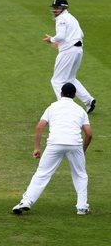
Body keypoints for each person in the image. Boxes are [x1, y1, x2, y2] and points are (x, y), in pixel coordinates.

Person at [12, 83, 93, 215]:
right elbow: (89, 134)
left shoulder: (52, 107)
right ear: (74, 95)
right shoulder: (80, 110)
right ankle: (82, 207)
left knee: (42, 174)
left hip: (55, 144)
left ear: (61, 93)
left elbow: (39, 127)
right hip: (74, 144)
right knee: (80, 175)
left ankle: (26, 201)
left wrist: (36, 148)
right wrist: (82, 150)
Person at [44, 0, 96, 113]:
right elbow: (81, 34)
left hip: (68, 51)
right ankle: (89, 101)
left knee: (57, 81)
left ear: (63, 8)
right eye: (54, 8)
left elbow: (61, 36)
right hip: (78, 50)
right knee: (70, 78)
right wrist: (63, 43)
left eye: (57, 8)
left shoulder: (61, 19)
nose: (55, 10)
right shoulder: (71, 18)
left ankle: (64, 108)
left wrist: (52, 40)